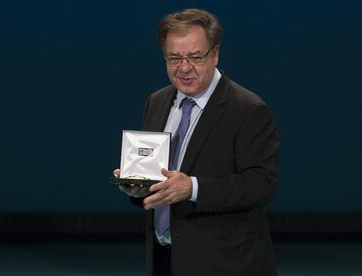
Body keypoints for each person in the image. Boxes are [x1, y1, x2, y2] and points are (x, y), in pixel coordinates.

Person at [114, 8, 280, 276]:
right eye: (174, 58)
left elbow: (261, 185)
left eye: (195, 57)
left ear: (215, 54)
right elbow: (159, 177)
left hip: (224, 264)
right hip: (164, 261)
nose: (184, 68)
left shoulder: (248, 109)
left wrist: (192, 187)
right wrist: (139, 186)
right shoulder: (157, 101)